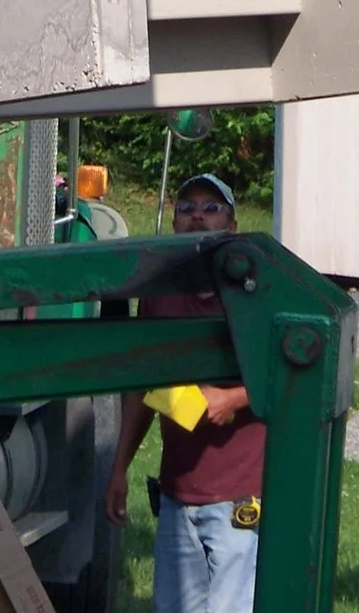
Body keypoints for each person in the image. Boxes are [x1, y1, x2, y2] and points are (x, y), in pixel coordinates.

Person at [103, 174, 262, 613]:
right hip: (177, 494)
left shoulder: (257, 293)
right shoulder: (159, 296)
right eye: (186, 207)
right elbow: (143, 387)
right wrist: (120, 470)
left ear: (232, 223)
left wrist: (232, 399)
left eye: (211, 208)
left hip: (240, 494)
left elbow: (289, 371)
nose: (197, 216)